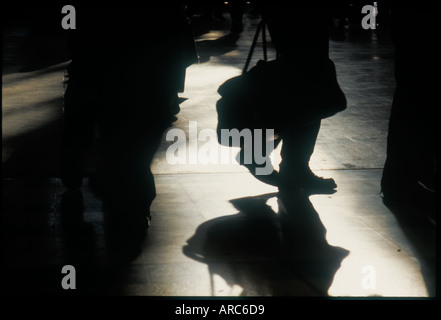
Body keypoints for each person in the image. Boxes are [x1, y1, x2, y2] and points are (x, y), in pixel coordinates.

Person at [60, 4, 197, 252]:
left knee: (94, 122)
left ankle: (76, 167)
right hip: (143, 67)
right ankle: (132, 203)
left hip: (98, 57)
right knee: (131, 143)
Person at [242, 2, 343, 195]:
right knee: (311, 86)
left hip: (289, 12)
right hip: (306, 14)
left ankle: (272, 155)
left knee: (299, 83)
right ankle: (293, 165)